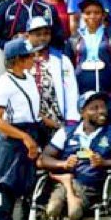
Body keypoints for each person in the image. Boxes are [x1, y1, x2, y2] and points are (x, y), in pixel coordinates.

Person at [38, 91, 111, 220]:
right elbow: (43, 159)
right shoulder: (66, 133)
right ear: (82, 113)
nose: (102, 111)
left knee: (74, 212)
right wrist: (64, 164)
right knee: (52, 209)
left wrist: (105, 162)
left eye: (103, 107)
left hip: (92, 187)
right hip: (64, 182)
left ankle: (69, 192)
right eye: (94, 108)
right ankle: (67, 186)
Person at [0, 39, 43, 220]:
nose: (34, 59)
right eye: (30, 56)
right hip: (12, 142)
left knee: (29, 191)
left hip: (29, 135)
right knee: (5, 195)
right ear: (18, 60)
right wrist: (24, 137)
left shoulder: (28, 78)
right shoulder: (4, 84)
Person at [26, 17, 79, 145]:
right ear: (28, 36)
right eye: (38, 34)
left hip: (56, 121)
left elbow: (71, 91)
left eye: (46, 34)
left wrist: (72, 120)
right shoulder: (22, 60)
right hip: (30, 121)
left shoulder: (61, 60)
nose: (42, 38)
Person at [67, 0, 111, 97]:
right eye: (88, 13)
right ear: (82, 15)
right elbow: (69, 65)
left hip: (108, 92)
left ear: (103, 15)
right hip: (81, 91)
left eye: (97, 13)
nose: (92, 16)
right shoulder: (74, 39)